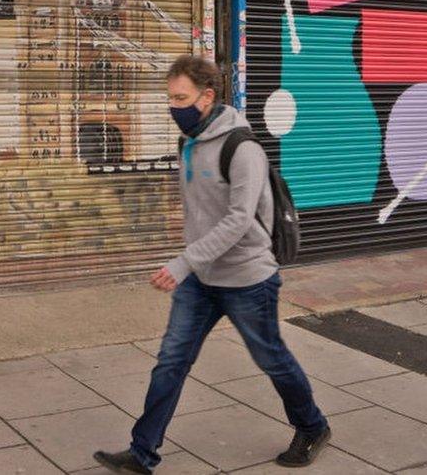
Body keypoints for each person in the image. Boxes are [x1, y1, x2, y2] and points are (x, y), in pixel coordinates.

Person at [94, 56, 330, 474]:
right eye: (169, 98)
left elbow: (239, 220)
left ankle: (313, 426)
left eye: (181, 98)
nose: (174, 106)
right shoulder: (189, 141)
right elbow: (201, 207)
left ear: (206, 96)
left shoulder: (244, 149)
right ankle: (142, 452)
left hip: (247, 280)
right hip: (201, 280)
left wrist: (185, 260)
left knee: (271, 358)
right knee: (171, 361)